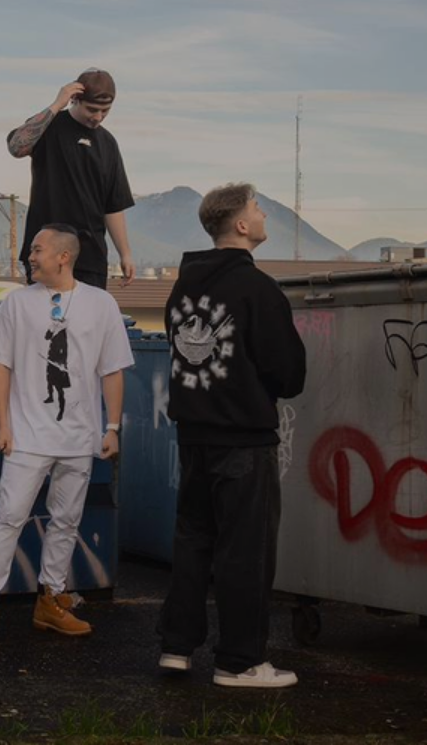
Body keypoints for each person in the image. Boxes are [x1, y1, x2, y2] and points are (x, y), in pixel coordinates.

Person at [156, 184, 306, 688]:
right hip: (243, 439)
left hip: (193, 436)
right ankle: (238, 662)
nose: (264, 216)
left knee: (193, 540)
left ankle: (176, 646)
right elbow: (289, 373)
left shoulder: (182, 287)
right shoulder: (258, 289)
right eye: (258, 209)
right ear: (241, 225)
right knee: (245, 551)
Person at [0, 224, 132, 651]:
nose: (30, 256)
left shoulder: (101, 304)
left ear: (64, 256)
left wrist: (112, 427)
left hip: (79, 438)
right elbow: (0, 366)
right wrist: (4, 425)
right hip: (27, 437)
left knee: (66, 521)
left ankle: (51, 601)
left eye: (37, 249)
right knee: (8, 518)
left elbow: (112, 369)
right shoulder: (17, 303)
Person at [6, 68, 136, 288]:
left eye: (105, 111)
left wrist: (125, 254)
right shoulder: (49, 126)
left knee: (88, 311)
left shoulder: (108, 143)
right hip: (46, 252)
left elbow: (113, 205)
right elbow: (16, 147)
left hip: (90, 257)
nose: (98, 117)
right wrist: (57, 104)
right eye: (92, 109)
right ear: (75, 99)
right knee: (43, 310)